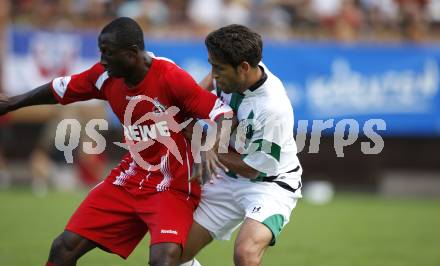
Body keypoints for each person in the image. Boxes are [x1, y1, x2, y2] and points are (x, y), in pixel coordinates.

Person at [0, 17, 232, 266]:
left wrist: (209, 147)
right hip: (128, 179)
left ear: (132, 54)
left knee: (164, 261)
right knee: (63, 247)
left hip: (172, 185)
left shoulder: (170, 77)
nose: (102, 61)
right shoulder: (105, 76)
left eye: (108, 54)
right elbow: (60, 89)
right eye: (102, 53)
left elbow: (223, 114)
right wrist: (13, 102)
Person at [180, 24, 303, 266]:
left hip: (269, 185)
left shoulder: (272, 109)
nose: (214, 74)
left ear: (244, 68)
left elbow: (253, 168)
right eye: (211, 66)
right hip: (227, 179)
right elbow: (207, 85)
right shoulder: (238, 74)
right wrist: (185, 106)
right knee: (172, 254)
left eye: (218, 68)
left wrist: (205, 143)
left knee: (245, 254)